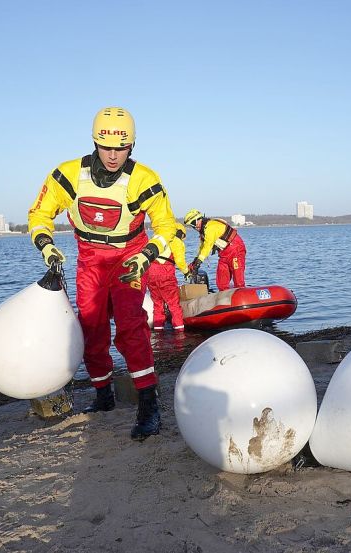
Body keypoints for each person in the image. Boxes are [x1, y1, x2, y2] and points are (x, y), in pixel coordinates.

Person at [28, 106, 177, 441]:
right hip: (89, 260)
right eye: (106, 147)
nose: (113, 155)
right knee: (91, 329)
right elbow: (40, 212)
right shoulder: (68, 174)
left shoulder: (144, 179)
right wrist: (45, 244)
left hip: (129, 260)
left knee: (131, 327)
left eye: (121, 148)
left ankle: (148, 403)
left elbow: (167, 225)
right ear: (95, 142)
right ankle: (103, 395)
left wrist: (147, 255)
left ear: (132, 146)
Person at [183, 209, 247, 290]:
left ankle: (241, 294)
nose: (194, 227)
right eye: (191, 226)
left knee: (238, 280)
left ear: (199, 219)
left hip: (235, 249)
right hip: (224, 253)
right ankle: (224, 299)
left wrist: (199, 262)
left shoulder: (210, 227)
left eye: (193, 224)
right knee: (221, 282)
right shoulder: (203, 232)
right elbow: (202, 248)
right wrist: (195, 262)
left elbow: (207, 246)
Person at [146, 223, 189, 331]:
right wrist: (186, 272)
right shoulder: (176, 241)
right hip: (165, 274)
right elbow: (180, 261)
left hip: (150, 273)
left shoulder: (156, 238)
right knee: (173, 305)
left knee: (157, 305)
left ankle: (158, 332)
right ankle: (180, 334)